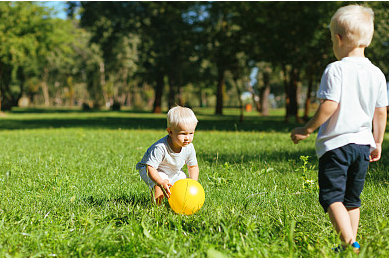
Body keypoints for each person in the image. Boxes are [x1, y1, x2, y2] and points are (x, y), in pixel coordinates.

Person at [290, 4, 387, 253]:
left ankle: (349, 243)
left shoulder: (335, 69)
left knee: (332, 197)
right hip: (363, 145)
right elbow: (380, 112)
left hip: (336, 146)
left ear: (338, 38)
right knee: (352, 200)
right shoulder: (377, 73)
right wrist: (378, 142)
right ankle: (350, 246)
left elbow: (329, 106)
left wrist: (308, 129)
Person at [136, 106, 199, 205]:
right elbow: (150, 168)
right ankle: (157, 207)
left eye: (191, 133)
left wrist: (193, 183)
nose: (187, 138)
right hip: (151, 169)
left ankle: (179, 204)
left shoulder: (189, 147)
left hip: (173, 170)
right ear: (170, 132)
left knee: (184, 185)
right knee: (159, 185)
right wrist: (160, 182)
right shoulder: (160, 147)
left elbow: (193, 166)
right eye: (183, 134)